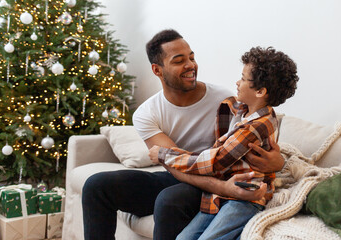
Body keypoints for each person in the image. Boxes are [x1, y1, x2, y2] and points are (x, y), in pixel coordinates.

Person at [82, 29, 285, 240]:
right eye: (179, 61)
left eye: (192, 57)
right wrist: (225, 188)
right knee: (97, 186)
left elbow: (245, 143)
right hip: (184, 174)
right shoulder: (147, 113)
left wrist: (277, 162)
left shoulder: (224, 100)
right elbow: (173, 163)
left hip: (213, 177)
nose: (190, 65)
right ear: (157, 70)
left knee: (170, 199)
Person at [149, 46, 299, 240]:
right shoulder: (239, 109)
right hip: (223, 193)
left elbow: (216, 161)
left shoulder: (256, 126)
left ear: (261, 91)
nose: (237, 82)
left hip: (246, 198)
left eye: (244, 79)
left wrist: (163, 154)